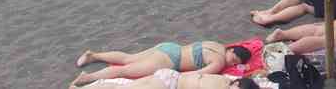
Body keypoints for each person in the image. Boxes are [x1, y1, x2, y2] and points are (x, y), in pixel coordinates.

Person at [72, 42, 252, 87]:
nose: (231, 63)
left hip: (170, 47)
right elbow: (196, 75)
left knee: (128, 58)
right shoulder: (219, 61)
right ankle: (89, 78)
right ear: (231, 52)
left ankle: (93, 55)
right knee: (124, 71)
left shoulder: (217, 45)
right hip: (170, 61)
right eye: (234, 59)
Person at [75, 73, 257, 89]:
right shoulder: (221, 85)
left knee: (125, 86)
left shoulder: (222, 79)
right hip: (169, 84)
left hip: (169, 77)